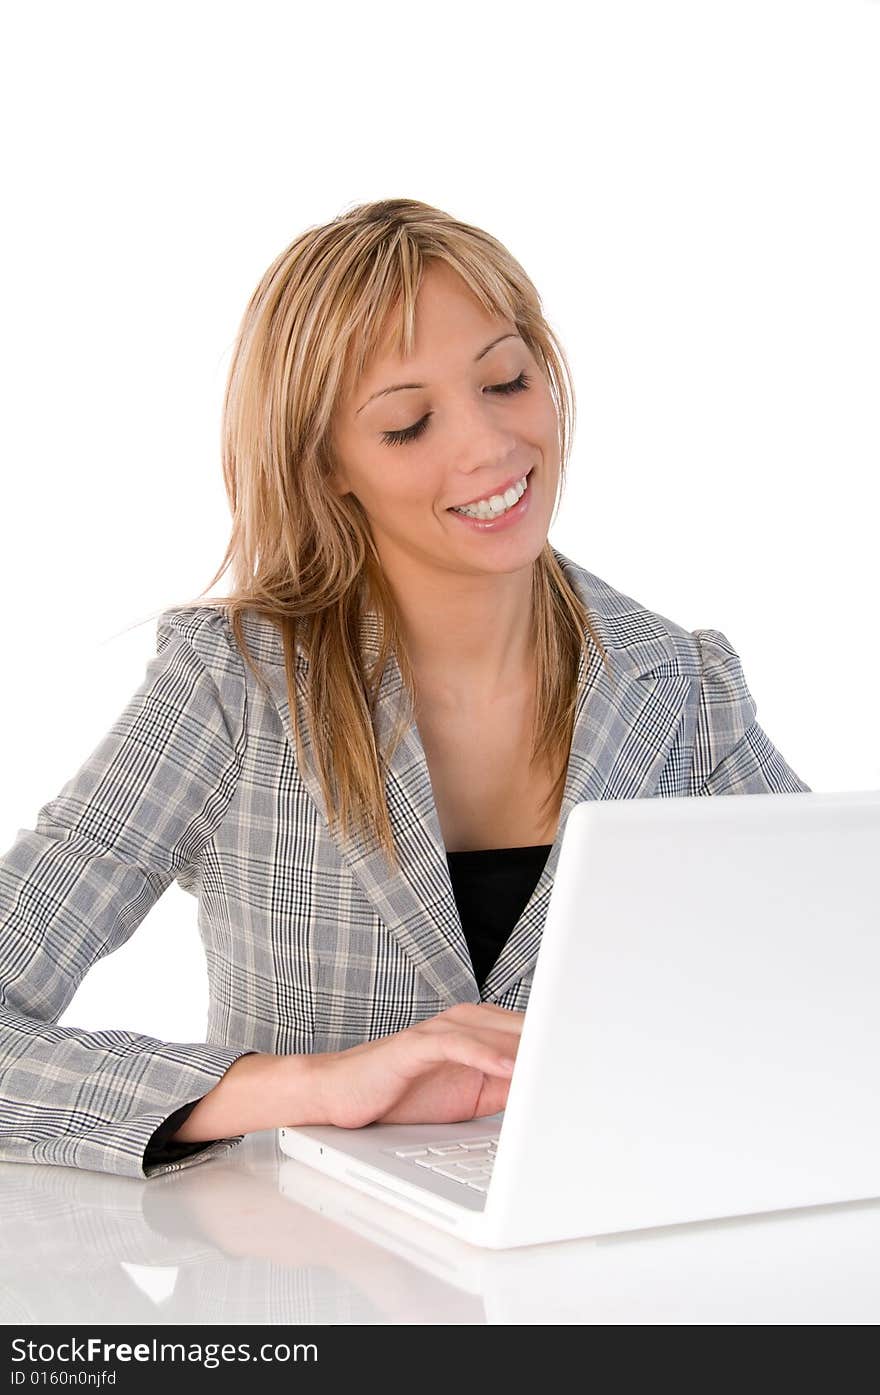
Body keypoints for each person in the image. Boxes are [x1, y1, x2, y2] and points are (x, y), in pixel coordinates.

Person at [0, 198, 811, 1180]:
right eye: (407, 423)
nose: (487, 447)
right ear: (325, 465)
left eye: (507, 380)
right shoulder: (232, 686)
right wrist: (311, 1086)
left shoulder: (682, 689)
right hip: (305, 1298)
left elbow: (838, 983)